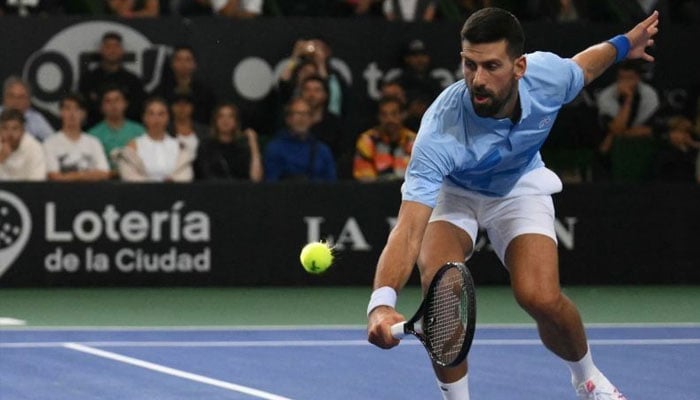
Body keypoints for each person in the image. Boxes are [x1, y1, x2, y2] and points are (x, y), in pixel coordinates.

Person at [366, 7, 659, 400]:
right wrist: (381, 303)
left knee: (540, 296)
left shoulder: (547, 77)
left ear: (519, 66)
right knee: (441, 291)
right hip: (456, 194)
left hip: (519, 183)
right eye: (469, 65)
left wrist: (625, 45)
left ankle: (588, 379)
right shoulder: (439, 132)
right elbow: (408, 229)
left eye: (491, 66)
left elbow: (586, 67)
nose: (477, 79)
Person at [596, 59, 660, 182]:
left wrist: (622, 132)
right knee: (607, 144)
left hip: (641, 145)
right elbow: (618, 128)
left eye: (630, 78)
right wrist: (628, 99)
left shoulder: (650, 95)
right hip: (610, 147)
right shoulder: (607, 96)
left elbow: (648, 130)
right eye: (621, 78)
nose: (625, 82)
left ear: (638, 78)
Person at [115, 97, 194, 182]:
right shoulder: (133, 145)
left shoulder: (179, 146)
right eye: (151, 114)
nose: (156, 118)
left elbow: (186, 175)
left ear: (168, 118)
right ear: (144, 117)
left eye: (161, 114)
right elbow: (129, 176)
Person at [79, 31, 147, 127]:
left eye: (116, 46)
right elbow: (83, 108)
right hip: (94, 130)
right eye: (108, 47)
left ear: (122, 50)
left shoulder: (133, 80)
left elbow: (138, 108)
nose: (112, 50)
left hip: (127, 132)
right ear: (101, 50)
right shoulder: (88, 79)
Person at [264, 97, 336, 182]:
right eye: (297, 114)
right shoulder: (275, 148)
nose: (302, 119)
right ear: (288, 119)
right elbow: (271, 183)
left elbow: (332, 184)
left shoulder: (323, 150)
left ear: (311, 120)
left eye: (306, 114)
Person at [43, 93, 111, 182]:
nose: (72, 113)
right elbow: (54, 176)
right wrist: (89, 175)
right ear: (61, 112)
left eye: (77, 109)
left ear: (84, 114)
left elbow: (104, 173)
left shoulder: (94, 142)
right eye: (67, 108)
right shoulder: (49, 143)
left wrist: (71, 176)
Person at [194, 103, 263, 181]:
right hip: (213, 191)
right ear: (215, 121)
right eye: (221, 116)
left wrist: (253, 143)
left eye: (230, 116)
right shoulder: (206, 147)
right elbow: (204, 175)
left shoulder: (243, 148)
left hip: (241, 191)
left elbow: (256, 178)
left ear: (236, 122)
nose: (225, 120)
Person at [353, 97, 416, 181]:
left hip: (409, 192)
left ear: (402, 116)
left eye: (394, 114)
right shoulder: (367, 141)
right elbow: (365, 178)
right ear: (379, 117)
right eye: (384, 115)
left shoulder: (414, 141)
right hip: (377, 192)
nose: (389, 119)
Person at [153, 45, 217, 125]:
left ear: (194, 64)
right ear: (172, 64)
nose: (183, 64)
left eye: (188, 60)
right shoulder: (161, 91)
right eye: (179, 59)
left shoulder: (205, 92)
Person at [87, 85, 144, 175]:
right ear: (101, 107)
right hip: (104, 183)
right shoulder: (92, 135)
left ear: (125, 103)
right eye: (108, 101)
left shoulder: (139, 131)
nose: (113, 105)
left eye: (117, 100)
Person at [0, 76, 55, 142]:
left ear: (28, 102)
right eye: (11, 96)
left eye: (21, 97)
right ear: (4, 99)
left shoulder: (35, 118)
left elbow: (54, 141)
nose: (15, 101)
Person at [0, 108, 46, 181]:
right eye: (5, 128)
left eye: (15, 128)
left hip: (27, 191)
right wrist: (1, 158)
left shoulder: (34, 147)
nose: (9, 134)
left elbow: (37, 181)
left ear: (23, 130)